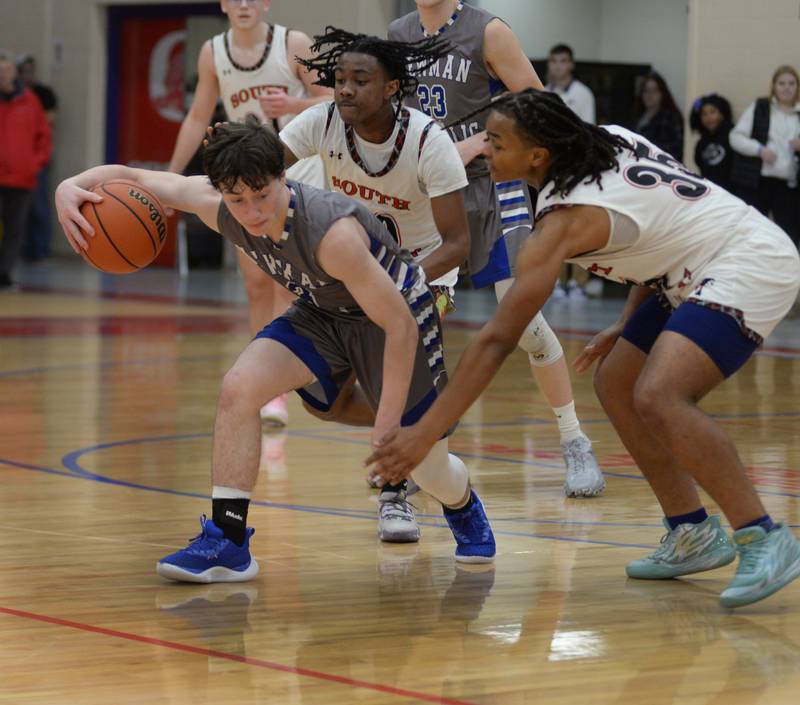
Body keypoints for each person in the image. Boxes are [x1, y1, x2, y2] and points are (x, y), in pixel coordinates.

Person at [367, 88, 800, 609]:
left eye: (497, 143)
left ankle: (765, 536)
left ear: (538, 156)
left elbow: (499, 339)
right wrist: (625, 320)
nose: (485, 151)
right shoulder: (612, 139)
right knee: (616, 382)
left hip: (748, 261)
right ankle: (692, 532)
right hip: (694, 263)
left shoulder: (561, 222)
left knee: (660, 395)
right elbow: (667, 219)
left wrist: (425, 433)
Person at [55, 117, 496, 582]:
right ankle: (228, 542)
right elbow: (141, 179)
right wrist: (70, 185)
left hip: (393, 317)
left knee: (427, 468)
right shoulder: (219, 205)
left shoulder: (332, 234)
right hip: (324, 310)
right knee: (239, 387)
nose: (251, 212)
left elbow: (400, 328)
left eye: (262, 195)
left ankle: (462, 501)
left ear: (284, 176)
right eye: (237, 200)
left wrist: (387, 426)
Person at [390, 0, 605, 498]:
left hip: (494, 187)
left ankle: (574, 440)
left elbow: (539, 108)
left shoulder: (489, 31)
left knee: (525, 323)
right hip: (432, 194)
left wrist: (482, 144)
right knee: (420, 324)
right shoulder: (399, 33)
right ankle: (423, 453)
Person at [276, 28, 471, 542]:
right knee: (324, 401)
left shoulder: (431, 142)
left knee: (393, 369)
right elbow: (265, 170)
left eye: (359, 80)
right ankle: (426, 429)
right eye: (339, 80)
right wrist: (236, 157)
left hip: (427, 272)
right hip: (353, 276)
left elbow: (457, 243)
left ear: (391, 88)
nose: (344, 89)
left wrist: (402, 282)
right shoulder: (322, 121)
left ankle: (395, 493)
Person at [167, 0, 333, 426]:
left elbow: (335, 99)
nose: (242, 5)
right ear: (223, 4)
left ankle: (297, 373)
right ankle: (271, 390)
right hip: (245, 182)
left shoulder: (293, 43)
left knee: (287, 286)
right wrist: (171, 179)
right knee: (257, 285)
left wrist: (292, 107)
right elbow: (198, 116)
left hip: (296, 176)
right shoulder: (212, 52)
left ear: (265, 3)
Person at [545, 42, 598, 298]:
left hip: (577, 166)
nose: (559, 66)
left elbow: (586, 129)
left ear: (572, 64)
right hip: (550, 167)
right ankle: (555, 279)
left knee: (577, 225)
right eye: (554, 61)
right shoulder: (543, 91)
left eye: (563, 61)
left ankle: (578, 282)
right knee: (552, 224)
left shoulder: (584, 94)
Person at [730, 65, 800, 246]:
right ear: (774, 86)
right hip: (759, 182)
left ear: (797, 87)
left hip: (789, 186)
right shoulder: (761, 106)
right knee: (752, 233)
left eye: (791, 83)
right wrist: (759, 150)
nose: (786, 87)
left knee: (789, 237)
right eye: (781, 83)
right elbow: (735, 137)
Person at [0, 50, 51, 290]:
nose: (3, 75)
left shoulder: (30, 100)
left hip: (22, 177)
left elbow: (43, 137)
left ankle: (5, 274)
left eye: (6, 69)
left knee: (14, 229)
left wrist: (34, 163)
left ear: (13, 72)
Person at [17, 54, 58, 263]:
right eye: (23, 70)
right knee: (19, 210)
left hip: (36, 159)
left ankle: (41, 248)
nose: (27, 75)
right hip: (14, 161)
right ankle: (23, 249)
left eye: (30, 70)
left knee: (39, 206)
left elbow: (48, 122)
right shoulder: (14, 96)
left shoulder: (42, 94)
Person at [632, 71, 684, 161]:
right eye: (646, 91)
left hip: (661, 167)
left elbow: (674, 150)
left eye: (654, 91)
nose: (649, 95)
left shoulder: (670, 117)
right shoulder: (638, 115)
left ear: (662, 93)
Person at [689, 93, 734, 191]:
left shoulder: (732, 135)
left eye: (712, 112)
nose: (708, 117)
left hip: (731, 191)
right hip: (710, 191)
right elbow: (699, 163)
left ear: (722, 114)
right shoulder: (701, 143)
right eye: (704, 114)